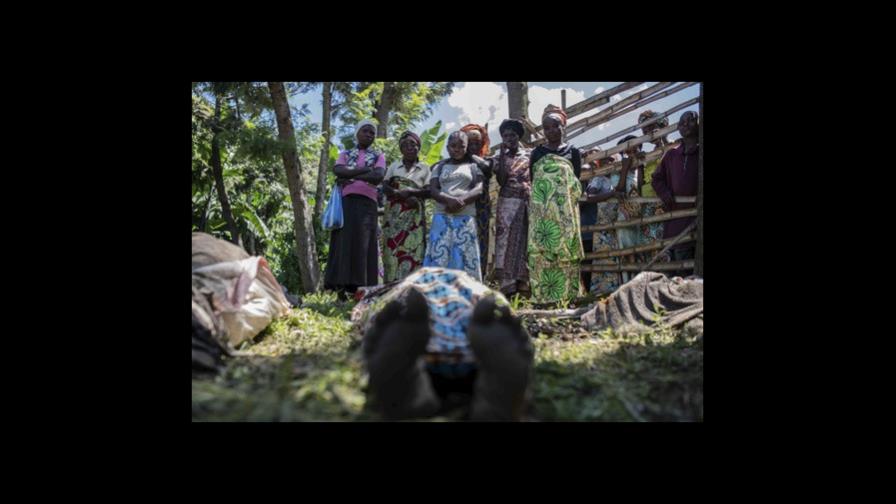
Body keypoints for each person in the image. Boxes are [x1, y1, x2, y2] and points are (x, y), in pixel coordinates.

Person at [355, 266, 534, 421]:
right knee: (488, 309)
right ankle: (496, 399)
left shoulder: (403, 286)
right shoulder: (470, 282)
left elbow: (366, 304)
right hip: (473, 326)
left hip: (416, 320)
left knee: (400, 308)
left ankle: (412, 389)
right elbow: (488, 297)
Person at [527, 105, 584, 302]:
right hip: (542, 214)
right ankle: (543, 298)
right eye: (546, 127)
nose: (551, 131)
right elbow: (535, 182)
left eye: (555, 126)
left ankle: (568, 295)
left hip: (565, 211)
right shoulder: (536, 153)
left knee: (566, 250)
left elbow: (575, 183)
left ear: (563, 127)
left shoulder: (573, 152)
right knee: (543, 251)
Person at [323, 119, 386, 298]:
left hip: (368, 205)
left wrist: (352, 173)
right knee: (344, 243)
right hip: (346, 204)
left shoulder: (378, 155)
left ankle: (362, 289)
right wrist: (365, 171)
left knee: (364, 245)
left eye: (372, 132)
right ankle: (341, 289)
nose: (369, 135)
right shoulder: (345, 153)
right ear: (357, 133)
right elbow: (338, 170)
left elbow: (378, 176)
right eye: (365, 131)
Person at [423, 131, 485, 281]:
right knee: (440, 253)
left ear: (466, 147)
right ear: (447, 147)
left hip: (465, 216)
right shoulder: (439, 167)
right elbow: (433, 189)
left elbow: (479, 188)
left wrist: (461, 201)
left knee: (464, 254)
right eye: (453, 146)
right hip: (442, 215)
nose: (457, 149)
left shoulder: (473, 166)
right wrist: (449, 200)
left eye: (461, 146)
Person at [651, 111, 699, 277]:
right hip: (676, 220)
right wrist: (665, 194)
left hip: (697, 218)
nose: (686, 124)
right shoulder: (672, 154)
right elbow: (657, 179)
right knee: (677, 269)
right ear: (677, 127)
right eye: (682, 122)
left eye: (691, 121)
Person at [381, 131, 431, 283]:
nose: (410, 148)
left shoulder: (424, 168)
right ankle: (392, 286)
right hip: (394, 216)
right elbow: (384, 186)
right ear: (400, 149)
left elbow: (428, 191)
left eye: (413, 144)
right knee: (392, 249)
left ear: (418, 147)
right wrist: (398, 193)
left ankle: (412, 289)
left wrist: (410, 192)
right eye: (405, 145)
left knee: (414, 250)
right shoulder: (394, 166)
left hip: (414, 216)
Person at [492, 118, 532, 297]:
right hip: (507, 204)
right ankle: (508, 286)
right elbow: (501, 180)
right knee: (505, 242)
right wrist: (501, 156)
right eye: (506, 135)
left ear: (519, 136)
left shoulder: (530, 155)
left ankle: (523, 284)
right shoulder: (499, 157)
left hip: (526, 202)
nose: (509, 138)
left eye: (513, 134)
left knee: (523, 241)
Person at [460, 124, 493, 277]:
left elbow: (487, 169)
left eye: (477, 143)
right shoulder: (455, 163)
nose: (473, 146)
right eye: (469, 143)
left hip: (481, 211)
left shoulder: (485, 161)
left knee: (480, 246)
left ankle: (480, 281)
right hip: (461, 210)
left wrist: (470, 155)